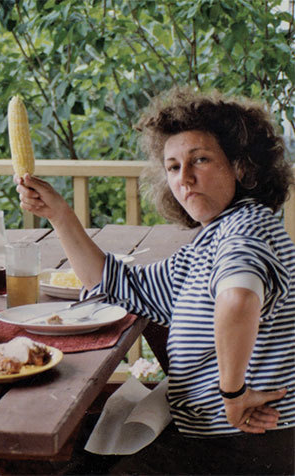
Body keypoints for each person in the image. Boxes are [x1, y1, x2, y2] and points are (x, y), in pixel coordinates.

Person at [15, 87, 294, 474]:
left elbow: (239, 300)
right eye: (174, 167)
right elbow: (120, 285)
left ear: (241, 167)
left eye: (201, 160)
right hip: (210, 430)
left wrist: (233, 392)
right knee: (70, 451)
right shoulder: (213, 239)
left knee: (56, 449)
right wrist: (60, 214)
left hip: (241, 444)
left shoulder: (246, 231)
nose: (186, 179)